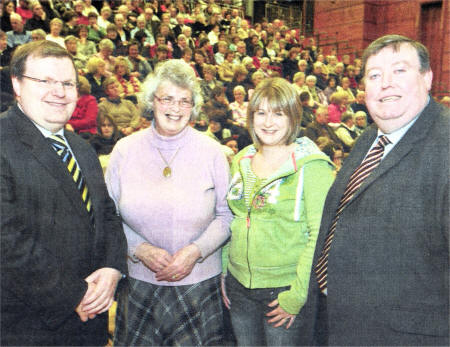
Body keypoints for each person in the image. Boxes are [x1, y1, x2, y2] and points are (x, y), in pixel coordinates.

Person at [310, 34, 449, 346]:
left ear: (427, 78)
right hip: (340, 322)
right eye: (374, 75)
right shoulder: (369, 137)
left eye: (399, 71)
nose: (385, 83)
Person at [0, 40, 127, 346]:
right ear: (17, 84)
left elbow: (107, 214)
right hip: (27, 327)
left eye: (68, 83)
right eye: (45, 81)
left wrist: (112, 268)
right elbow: (6, 240)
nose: (59, 91)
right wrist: (74, 295)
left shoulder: (82, 148)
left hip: (88, 322)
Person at [106, 59, 232, 345]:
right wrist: (138, 248)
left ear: (194, 107)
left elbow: (227, 215)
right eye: (167, 99)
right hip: (139, 282)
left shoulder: (212, 151)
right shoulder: (124, 150)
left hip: (199, 284)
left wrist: (194, 252)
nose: (175, 109)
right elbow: (108, 217)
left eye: (184, 101)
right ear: (152, 101)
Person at [222, 77, 335, 346]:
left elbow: (319, 236)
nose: (268, 122)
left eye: (278, 113)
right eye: (261, 113)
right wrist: (225, 271)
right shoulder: (242, 159)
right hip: (239, 287)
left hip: (284, 291)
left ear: (293, 117)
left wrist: (297, 296)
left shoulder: (313, 166)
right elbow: (235, 217)